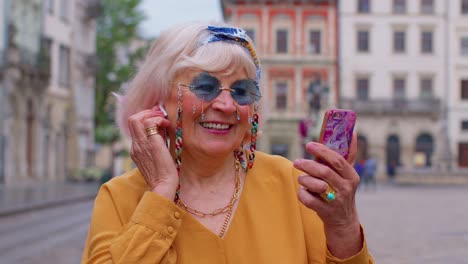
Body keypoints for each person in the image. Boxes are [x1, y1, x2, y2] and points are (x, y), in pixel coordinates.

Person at [81, 22, 374, 263]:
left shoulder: (294, 185)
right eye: (205, 87)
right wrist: (160, 194)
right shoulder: (120, 197)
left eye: (241, 91)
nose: (226, 104)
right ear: (158, 99)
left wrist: (343, 224)